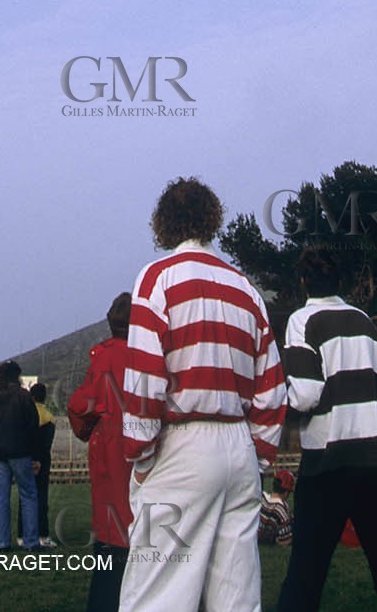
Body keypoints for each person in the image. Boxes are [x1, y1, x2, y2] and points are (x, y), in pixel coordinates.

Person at [119, 176, 285, 612]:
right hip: (239, 448)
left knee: (156, 594)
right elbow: (272, 387)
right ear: (212, 220)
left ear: (163, 224)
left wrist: (141, 458)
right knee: (236, 599)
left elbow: (144, 382)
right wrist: (259, 459)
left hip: (183, 447)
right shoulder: (246, 289)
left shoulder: (157, 279)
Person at [276, 246, 377, 612]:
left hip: (328, 462)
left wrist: (284, 411)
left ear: (303, 282)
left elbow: (307, 395)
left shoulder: (302, 321)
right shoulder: (365, 321)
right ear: (339, 281)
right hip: (375, 463)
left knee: (306, 572)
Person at [68, 293, 135, 612]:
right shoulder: (150, 356)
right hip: (148, 461)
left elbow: (80, 408)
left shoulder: (104, 357)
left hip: (111, 462)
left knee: (110, 555)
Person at [0, 361, 40, 551]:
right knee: (28, 494)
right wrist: (33, 452)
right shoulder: (23, 396)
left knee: (1, 497)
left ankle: (2, 543)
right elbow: (33, 425)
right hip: (20, 451)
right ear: (17, 375)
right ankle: (31, 541)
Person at [18, 383, 55, 546]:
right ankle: (42, 535)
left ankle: (21, 535)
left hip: (24, 460)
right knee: (41, 498)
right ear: (44, 397)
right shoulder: (48, 417)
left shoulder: (23, 416)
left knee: (24, 498)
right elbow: (46, 444)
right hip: (42, 462)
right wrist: (39, 461)